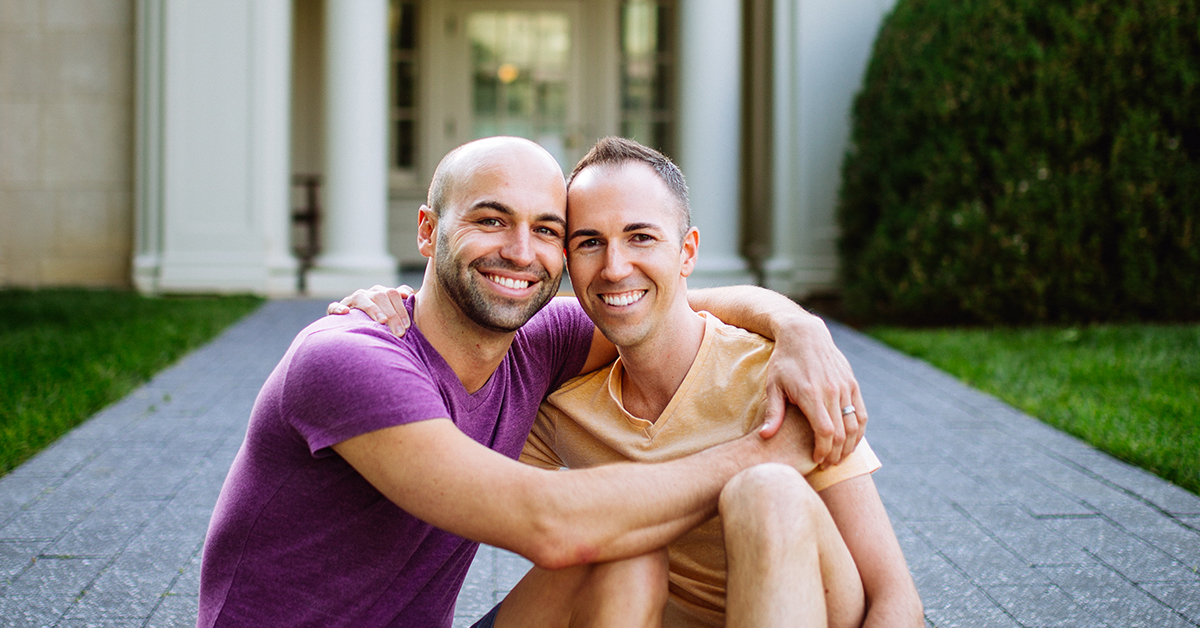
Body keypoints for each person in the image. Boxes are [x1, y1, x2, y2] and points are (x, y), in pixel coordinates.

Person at [198, 136, 868, 628]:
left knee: (626, 557)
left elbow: (660, 301)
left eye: (547, 230)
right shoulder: (350, 360)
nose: (521, 252)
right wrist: (764, 453)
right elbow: (550, 526)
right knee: (593, 536)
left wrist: (798, 327)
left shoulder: (537, 346)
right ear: (429, 232)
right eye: (490, 220)